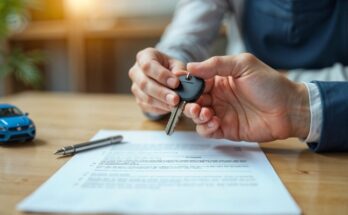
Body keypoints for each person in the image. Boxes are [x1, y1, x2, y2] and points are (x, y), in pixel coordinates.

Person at [128, 0, 348, 120]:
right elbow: (186, 36)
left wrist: (291, 93)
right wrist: (161, 73)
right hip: (235, 122)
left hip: (333, 127)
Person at [181, 53, 348, 152]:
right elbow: (190, 26)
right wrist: (171, 65)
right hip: (236, 96)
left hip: (240, 91)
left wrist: (295, 103)